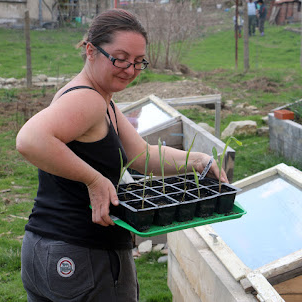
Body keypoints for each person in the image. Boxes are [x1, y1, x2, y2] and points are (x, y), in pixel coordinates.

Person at [16, 8, 228, 302]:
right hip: (84, 257)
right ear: (91, 50)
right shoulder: (87, 99)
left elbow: (142, 155)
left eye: (138, 62)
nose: (129, 69)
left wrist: (197, 160)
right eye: (120, 58)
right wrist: (94, 180)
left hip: (45, 248)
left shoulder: (100, 99)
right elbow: (29, 140)